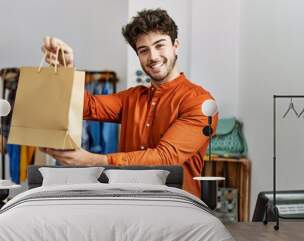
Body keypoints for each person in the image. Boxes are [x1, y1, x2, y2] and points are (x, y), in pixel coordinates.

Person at [40, 8, 217, 197]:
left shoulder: (199, 101)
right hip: (129, 202)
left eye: (160, 45)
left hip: (178, 206)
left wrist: (92, 160)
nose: (153, 56)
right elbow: (86, 106)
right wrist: (67, 68)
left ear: (176, 45)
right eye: (144, 50)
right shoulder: (132, 98)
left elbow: (166, 158)